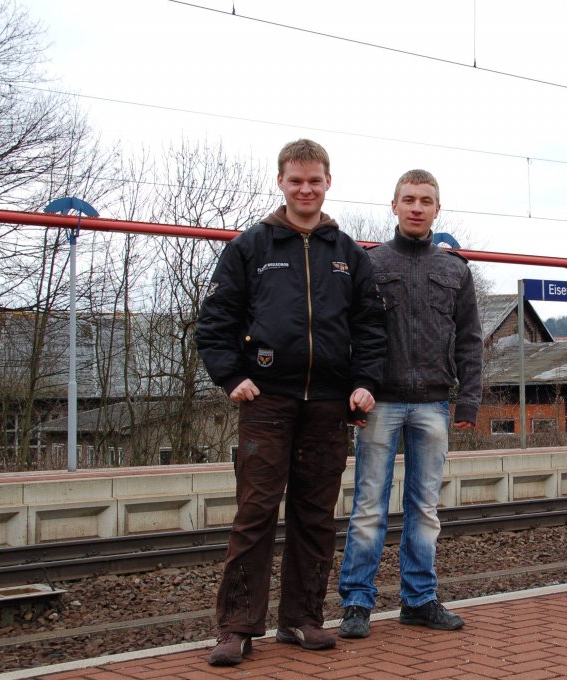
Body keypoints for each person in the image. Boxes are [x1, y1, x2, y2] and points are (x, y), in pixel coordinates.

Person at [195, 139, 386, 666]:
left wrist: (365, 380)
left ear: (328, 183)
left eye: (315, 180)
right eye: (296, 180)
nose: (306, 189)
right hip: (267, 400)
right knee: (255, 513)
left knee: (314, 515)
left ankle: (302, 619)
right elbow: (214, 322)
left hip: (329, 404)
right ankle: (236, 627)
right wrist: (230, 375)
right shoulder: (250, 248)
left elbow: (371, 328)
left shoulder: (348, 255)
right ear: (281, 182)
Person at [336, 169, 483, 638]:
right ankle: (357, 602)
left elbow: (470, 341)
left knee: (424, 509)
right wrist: (351, 395)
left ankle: (419, 599)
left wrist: (469, 403)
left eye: (425, 200)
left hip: (434, 404)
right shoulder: (371, 265)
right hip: (380, 401)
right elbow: (351, 334)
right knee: (368, 507)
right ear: (394, 206)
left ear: (438, 210)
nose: (417, 207)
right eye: (408, 199)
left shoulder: (455, 271)